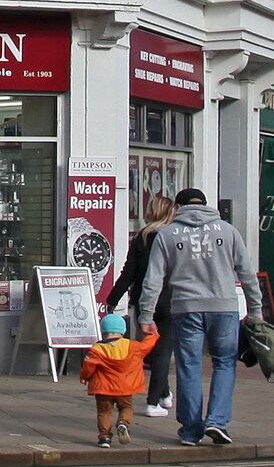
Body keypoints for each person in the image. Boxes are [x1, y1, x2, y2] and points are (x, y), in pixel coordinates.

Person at [137, 187, 264, 447]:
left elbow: (153, 280)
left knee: (189, 366)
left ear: (178, 207)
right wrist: (255, 310)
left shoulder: (167, 235)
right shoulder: (228, 232)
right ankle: (217, 421)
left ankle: (191, 430)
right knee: (225, 363)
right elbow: (247, 274)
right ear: (206, 205)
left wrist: (146, 315)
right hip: (224, 308)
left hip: (185, 309)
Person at [106, 192, 178, 416]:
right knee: (163, 351)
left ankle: (164, 395)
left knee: (152, 349)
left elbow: (129, 272)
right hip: (169, 300)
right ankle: (153, 401)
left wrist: (113, 297)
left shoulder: (142, 237)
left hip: (143, 301)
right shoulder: (174, 237)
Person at [80, 310, 160, 447]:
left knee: (104, 412)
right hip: (125, 387)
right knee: (126, 408)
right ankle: (123, 423)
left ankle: (104, 438)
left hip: (103, 389)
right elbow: (146, 346)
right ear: (122, 332)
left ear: (103, 331)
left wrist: (84, 377)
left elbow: (89, 366)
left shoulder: (97, 349)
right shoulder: (132, 346)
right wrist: (153, 334)